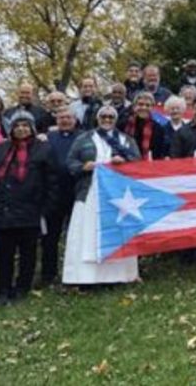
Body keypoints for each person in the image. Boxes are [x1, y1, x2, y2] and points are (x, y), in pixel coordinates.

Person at [62, 106, 141, 285]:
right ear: (97, 118)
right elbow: (70, 161)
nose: (107, 119)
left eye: (111, 117)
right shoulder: (84, 139)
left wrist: (125, 162)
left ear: (115, 119)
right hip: (89, 192)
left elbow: (137, 162)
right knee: (87, 232)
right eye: (103, 116)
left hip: (117, 195)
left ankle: (119, 276)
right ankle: (84, 277)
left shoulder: (126, 140)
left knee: (117, 233)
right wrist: (84, 166)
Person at [0, 111, 56, 305]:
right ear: (11, 129)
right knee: (5, 254)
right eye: (17, 126)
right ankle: (3, 289)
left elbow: (52, 180)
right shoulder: (0, 149)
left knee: (28, 253)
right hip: (4, 208)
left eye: (25, 125)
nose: (21, 129)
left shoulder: (43, 149)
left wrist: (46, 207)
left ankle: (22, 286)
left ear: (32, 128)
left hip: (31, 209)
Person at [42, 106, 80, 288]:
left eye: (69, 118)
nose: (65, 121)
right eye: (61, 117)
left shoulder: (84, 137)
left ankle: (75, 273)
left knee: (76, 236)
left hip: (77, 193)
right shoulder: (47, 139)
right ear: (56, 120)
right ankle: (48, 274)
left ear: (75, 120)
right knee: (50, 237)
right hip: (53, 195)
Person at [123, 92, 170, 160]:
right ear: (134, 106)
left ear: (152, 108)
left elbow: (160, 153)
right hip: (127, 163)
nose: (144, 108)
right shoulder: (124, 124)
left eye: (147, 105)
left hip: (149, 166)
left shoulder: (158, 129)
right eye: (140, 104)